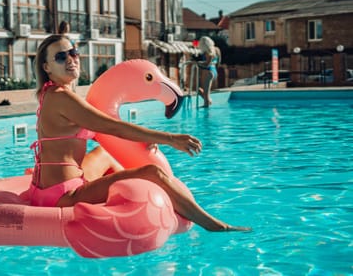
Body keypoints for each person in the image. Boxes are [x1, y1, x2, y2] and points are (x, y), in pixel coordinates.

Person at [28, 34, 250, 232]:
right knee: (153, 172)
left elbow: (88, 133)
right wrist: (169, 138)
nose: (70, 59)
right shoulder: (62, 98)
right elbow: (113, 127)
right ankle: (214, 225)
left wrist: (143, 142)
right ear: (46, 67)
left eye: (73, 52)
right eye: (60, 57)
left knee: (105, 154)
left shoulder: (52, 94)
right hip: (63, 197)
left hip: (48, 188)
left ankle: (125, 188)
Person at [197, 36, 221, 107]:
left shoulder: (208, 51)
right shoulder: (217, 49)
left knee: (206, 93)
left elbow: (207, 64)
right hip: (214, 71)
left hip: (209, 72)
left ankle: (206, 106)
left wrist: (198, 63)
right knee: (200, 90)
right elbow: (218, 62)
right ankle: (208, 101)